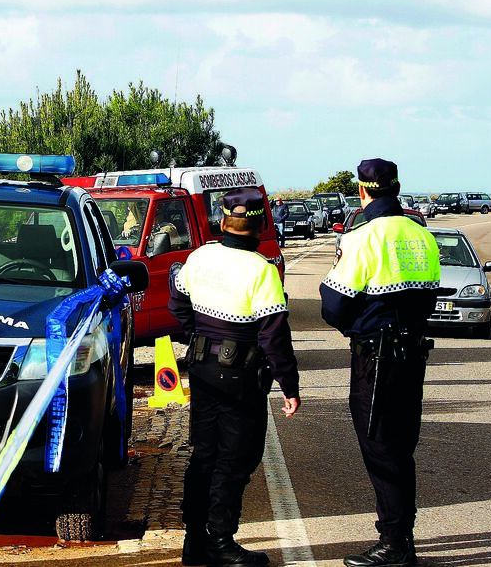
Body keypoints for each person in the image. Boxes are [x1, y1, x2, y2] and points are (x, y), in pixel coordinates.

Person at [169, 186, 301, 567]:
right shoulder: (262, 270)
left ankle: (194, 542)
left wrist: (198, 335)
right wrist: (288, 385)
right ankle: (221, 542)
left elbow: (177, 303)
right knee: (235, 459)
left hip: (202, 369)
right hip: (241, 377)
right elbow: (273, 333)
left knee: (204, 456)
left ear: (223, 220)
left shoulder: (200, 256)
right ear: (259, 226)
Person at [319, 159, 440, 567]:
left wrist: (360, 326)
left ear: (362, 191)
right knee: (401, 448)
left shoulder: (361, 238)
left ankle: (395, 544)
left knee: (382, 450)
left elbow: (333, 306)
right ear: (397, 187)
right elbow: (428, 299)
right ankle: (403, 537)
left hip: (376, 357)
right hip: (412, 356)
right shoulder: (422, 236)